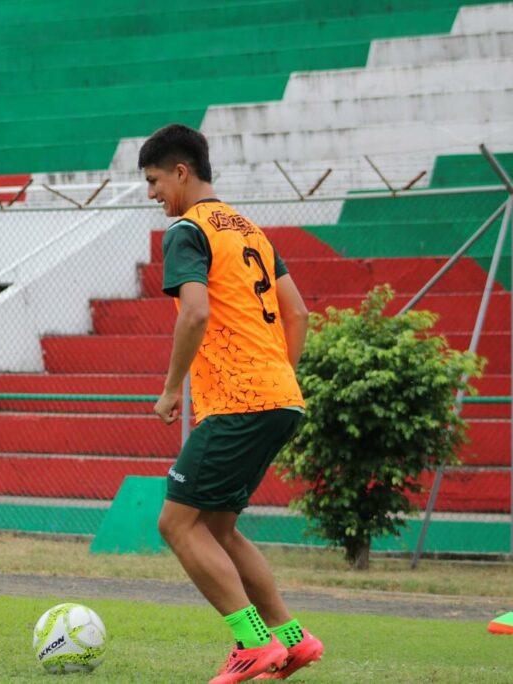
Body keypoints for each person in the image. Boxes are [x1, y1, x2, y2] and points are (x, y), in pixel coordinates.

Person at [139, 124, 323, 682]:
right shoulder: (250, 230)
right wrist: (276, 380)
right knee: (217, 529)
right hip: (279, 395)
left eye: (153, 181)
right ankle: (293, 639)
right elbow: (300, 315)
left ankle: (250, 643)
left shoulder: (187, 231)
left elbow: (194, 311)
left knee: (175, 524)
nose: (152, 195)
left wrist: (172, 388)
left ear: (181, 172)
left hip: (240, 399)